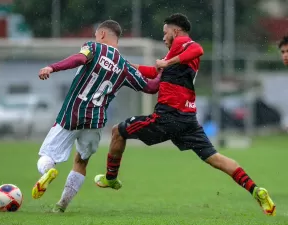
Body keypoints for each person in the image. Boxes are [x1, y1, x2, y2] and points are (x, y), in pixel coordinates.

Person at [94, 13, 276, 216]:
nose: (163, 38)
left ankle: (111, 177)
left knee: (118, 131)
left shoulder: (183, 43)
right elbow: (153, 72)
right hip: (187, 119)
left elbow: (198, 49)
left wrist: (167, 63)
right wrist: (125, 66)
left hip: (167, 116)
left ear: (175, 31)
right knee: (215, 158)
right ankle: (255, 189)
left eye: (165, 33)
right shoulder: (174, 54)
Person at [31, 20, 161, 213]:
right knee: (81, 161)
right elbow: (151, 88)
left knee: (47, 155)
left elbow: (79, 59)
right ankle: (61, 205)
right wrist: (162, 73)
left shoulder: (93, 48)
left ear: (101, 35)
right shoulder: (125, 67)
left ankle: (48, 170)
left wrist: (52, 67)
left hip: (72, 113)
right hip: (95, 121)